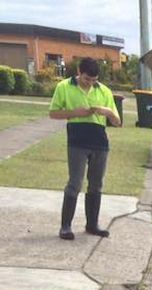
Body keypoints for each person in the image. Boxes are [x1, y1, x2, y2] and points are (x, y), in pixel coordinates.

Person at [48, 58, 121, 240]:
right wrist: (75, 113)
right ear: (79, 72)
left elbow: (117, 122)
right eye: (87, 79)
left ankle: (92, 224)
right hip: (77, 140)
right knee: (75, 183)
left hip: (100, 142)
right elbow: (53, 113)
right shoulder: (64, 87)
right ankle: (65, 226)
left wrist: (108, 112)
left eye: (94, 80)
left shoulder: (104, 91)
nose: (90, 83)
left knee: (96, 184)